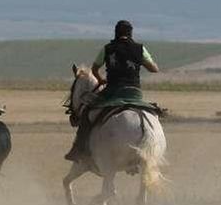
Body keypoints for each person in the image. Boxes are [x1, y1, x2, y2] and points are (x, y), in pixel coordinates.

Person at [64, 20, 160, 163]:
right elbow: (154, 69)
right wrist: (141, 60)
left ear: (116, 32)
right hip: (134, 92)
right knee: (154, 111)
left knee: (88, 112)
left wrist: (101, 80)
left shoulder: (108, 48)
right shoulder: (140, 49)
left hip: (113, 91)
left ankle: (79, 150)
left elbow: (95, 68)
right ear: (130, 33)